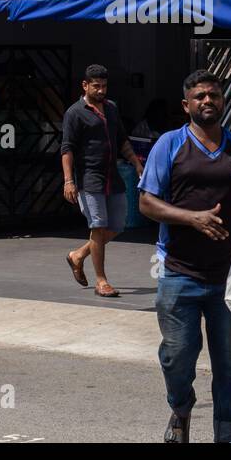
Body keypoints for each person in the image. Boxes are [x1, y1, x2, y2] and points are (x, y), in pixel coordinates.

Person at [138, 70, 231, 444]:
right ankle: (181, 407)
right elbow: (146, 202)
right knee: (176, 357)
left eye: (214, 95)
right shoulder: (169, 144)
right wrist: (192, 218)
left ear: (223, 102)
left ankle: (226, 436)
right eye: (200, 96)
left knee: (230, 367)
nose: (208, 101)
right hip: (179, 273)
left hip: (229, 277)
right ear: (186, 105)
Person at [62, 64, 144, 297]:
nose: (101, 90)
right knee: (98, 226)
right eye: (96, 86)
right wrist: (69, 181)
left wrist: (137, 163)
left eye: (104, 86)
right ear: (85, 85)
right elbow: (66, 149)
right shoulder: (74, 113)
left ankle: (77, 255)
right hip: (89, 178)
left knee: (117, 226)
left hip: (113, 176)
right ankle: (101, 281)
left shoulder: (111, 108)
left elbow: (122, 140)